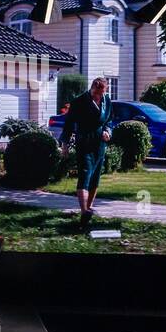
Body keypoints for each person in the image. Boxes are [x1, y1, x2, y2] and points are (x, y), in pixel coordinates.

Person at [59, 77, 113, 225]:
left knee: (95, 176)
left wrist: (108, 131)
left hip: (100, 144)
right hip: (84, 143)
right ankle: (84, 212)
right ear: (92, 88)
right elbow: (69, 124)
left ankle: (89, 208)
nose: (99, 96)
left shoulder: (106, 101)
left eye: (102, 93)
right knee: (85, 174)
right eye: (97, 93)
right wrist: (64, 145)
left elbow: (109, 121)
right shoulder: (79, 101)